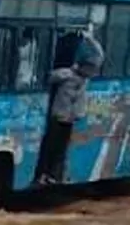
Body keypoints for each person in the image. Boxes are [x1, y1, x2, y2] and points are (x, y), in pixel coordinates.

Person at [37, 32, 103, 185]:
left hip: (70, 119)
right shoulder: (66, 74)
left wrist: (89, 37)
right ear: (82, 65)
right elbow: (48, 78)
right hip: (58, 117)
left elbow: (99, 54)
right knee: (51, 148)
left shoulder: (85, 80)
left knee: (62, 150)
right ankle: (44, 174)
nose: (91, 72)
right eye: (90, 68)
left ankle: (54, 176)